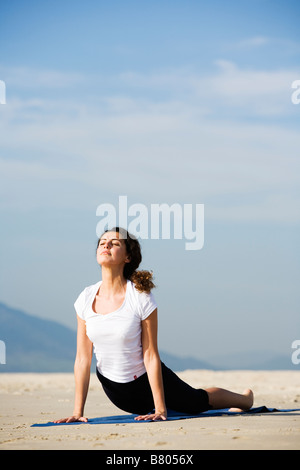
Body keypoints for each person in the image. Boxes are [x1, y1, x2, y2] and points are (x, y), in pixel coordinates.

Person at [54, 227, 253, 423]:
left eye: (114, 243)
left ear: (128, 257)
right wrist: (77, 412)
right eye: (102, 242)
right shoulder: (85, 298)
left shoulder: (140, 296)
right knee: (181, 404)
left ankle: (244, 400)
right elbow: (82, 358)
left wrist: (160, 408)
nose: (106, 245)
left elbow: (150, 354)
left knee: (196, 401)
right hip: (114, 389)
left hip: (145, 381)